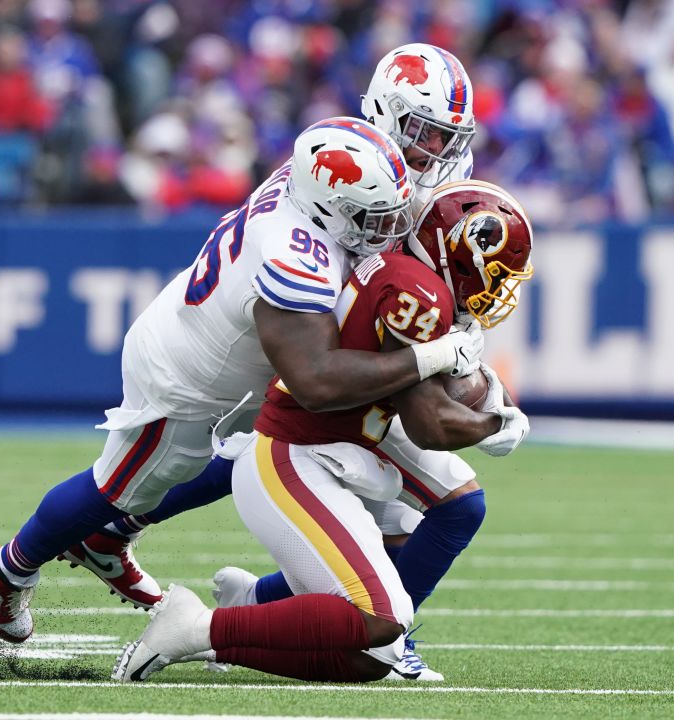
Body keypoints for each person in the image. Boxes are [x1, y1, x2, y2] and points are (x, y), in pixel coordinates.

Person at [60, 43, 520, 681]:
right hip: (309, 401)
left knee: (447, 512)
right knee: (369, 597)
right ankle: (135, 575)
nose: (435, 152)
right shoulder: (343, 183)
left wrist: (458, 365)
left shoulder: (394, 193)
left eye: (448, 136)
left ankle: (253, 602)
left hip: (347, 401)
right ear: (385, 114)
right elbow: (386, 384)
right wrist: (456, 375)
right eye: (422, 132)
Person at [0, 117, 485, 645]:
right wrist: (431, 355)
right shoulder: (295, 252)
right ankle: (3, 570)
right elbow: (317, 382)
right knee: (119, 488)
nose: (388, 230)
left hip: (244, 350)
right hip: (192, 374)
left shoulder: (315, 184)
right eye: (373, 217)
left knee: (258, 454)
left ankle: (117, 542)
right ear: (331, 208)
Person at [113, 179, 534, 683]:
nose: (494, 291)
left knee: (368, 658)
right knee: (381, 619)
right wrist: (498, 421)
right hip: (297, 455)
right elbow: (430, 425)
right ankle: (198, 626)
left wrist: (481, 388)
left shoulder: (414, 276)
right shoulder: (418, 295)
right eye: (492, 274)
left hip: (342, 441)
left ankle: (245, 613)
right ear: (456, 249)